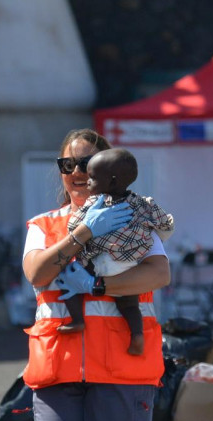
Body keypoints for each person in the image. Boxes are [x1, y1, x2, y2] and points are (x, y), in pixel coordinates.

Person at [22, 129, 171, 421]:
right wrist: (84, 231)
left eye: (86, 164)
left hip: (124, 368)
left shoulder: (134, 214)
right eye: (67, 165)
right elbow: (37, 272)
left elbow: (158, 273)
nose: (77, 172)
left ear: (109, 169)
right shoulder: (43, 225)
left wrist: (98, 285)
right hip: (59, 369)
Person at [59, 148, 174, 356]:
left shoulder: (95, 203)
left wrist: (80, 228)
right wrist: (159, 232)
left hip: (100, 263)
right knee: (130, 305)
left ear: (111, 182)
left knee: (69, 277)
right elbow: (165, 222)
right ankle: (137, 335)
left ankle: (77, 320)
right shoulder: (142, 203)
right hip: (130, 267)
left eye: (92, 177)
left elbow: (76, 227)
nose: (88, 181)